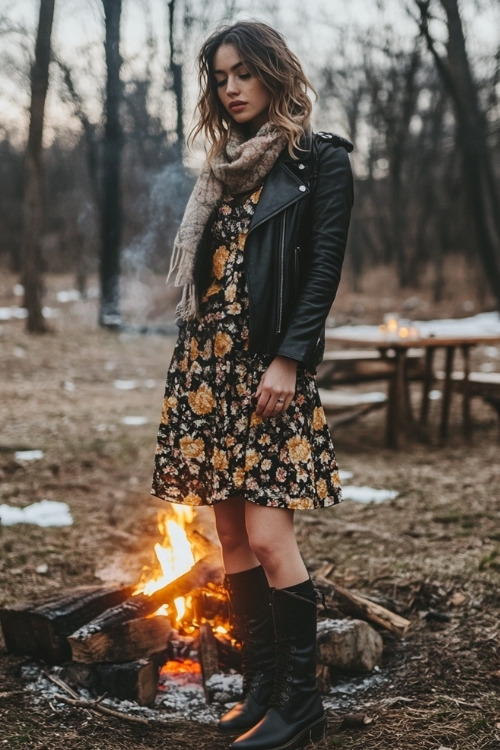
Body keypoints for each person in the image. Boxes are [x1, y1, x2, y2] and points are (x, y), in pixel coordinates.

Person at [151, 19, 353, 750]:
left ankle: (303, 707)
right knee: (230, 533)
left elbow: (321, 270)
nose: (230, 88)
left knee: (270, 537)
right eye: (220, 77)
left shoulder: (319, 162)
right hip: (207, 369)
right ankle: (265, 688)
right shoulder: (223, 166)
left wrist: (291, 357)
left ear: (274, 71)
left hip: (267, 366)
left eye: (243, 73)